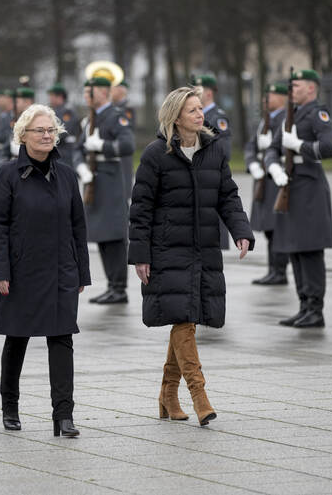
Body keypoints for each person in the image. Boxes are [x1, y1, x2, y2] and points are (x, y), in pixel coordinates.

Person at [129, 86, 253, 425]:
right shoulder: (156, 154)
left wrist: (241, 231)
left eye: (201, 109)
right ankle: (200, 396)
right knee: (183, 320)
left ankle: (168, 395)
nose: (201, 115)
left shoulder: (214, 151)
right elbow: (140, 209)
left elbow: (228, 195)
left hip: (204, 249)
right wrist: (140, 255)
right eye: (193, 110)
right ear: (176, 118)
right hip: (166, 250)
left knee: (186, 319)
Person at [0, 103, 90, 437]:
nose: (47, 136)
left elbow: (78, 226)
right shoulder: (7, 174)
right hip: (20, 272)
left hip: (61, 272)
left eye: (51, 131)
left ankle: (64, 416)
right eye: (40, 131)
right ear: (23, 135)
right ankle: (10, 406)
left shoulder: (67, 175)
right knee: (17, 340)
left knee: (62, 339)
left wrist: (82, 274)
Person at [265, 69, 332, 328]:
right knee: (294, 249)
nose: (291, 90)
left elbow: (330, 147)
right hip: (289, 188)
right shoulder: (289, 115)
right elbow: (272, 149)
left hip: (309, 188)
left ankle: (315, 309)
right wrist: (273, 167)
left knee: (310, 251)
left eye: (296, 86)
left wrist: (300, 146)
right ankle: (304, 305)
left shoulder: (318, 113)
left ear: (311, 88)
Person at [74, 76, 134, 304]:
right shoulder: (88, 120)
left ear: (103, 92)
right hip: (93, 182)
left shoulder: (116, 117)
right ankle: (111, 285)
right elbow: (77, 149)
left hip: (111, 181)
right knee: (101, 234)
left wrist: (102, 146)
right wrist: (81, 168)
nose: (86, 96)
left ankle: (119, 288)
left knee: (115, 236)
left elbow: (127, 145)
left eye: (90, 91)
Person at [244, 82, 289, 285]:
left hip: (275, 178)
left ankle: (280, 271)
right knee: (269, 228)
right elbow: (251, 146)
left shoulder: (285, 119)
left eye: (270, 95)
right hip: (262, 178)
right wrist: (252, 163)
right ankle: (272, 269)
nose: (266, 99)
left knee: (278, 227)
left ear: (282, 98)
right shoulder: (265, 120)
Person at [194, 74, 232, 250]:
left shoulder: (217, 118)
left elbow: (225, 151)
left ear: (208, 93)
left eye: (197, 91)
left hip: (210, 174)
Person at [111, 79, 136, 199]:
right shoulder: (115, 107)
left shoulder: (127, 108)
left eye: (113, 88)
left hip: (123, 148)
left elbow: (127, 128)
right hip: (115, 148)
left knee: (125, 176)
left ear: (121, 90)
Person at [47, 83, 79, 168]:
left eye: (52, 96)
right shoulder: (54, 110)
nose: (50, 98)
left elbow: (63, 131)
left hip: (64, 151)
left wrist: (46, 139)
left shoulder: (67, 111)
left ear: (60, 96)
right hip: (55, 150)